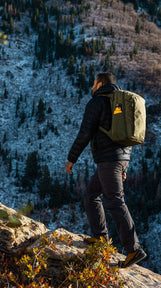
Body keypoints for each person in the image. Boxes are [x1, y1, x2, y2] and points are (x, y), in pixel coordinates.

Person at [65, 72, 147, 268]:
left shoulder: (98, 102)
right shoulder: (120, 102)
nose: (92, 87)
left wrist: (71, 159)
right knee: (91, 194)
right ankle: (101, 238)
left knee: (115, 201)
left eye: (94, 84)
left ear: (100, 83)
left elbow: (85, 133)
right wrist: (124, 164)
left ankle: (133, 249)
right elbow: (126, 136)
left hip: (109, 160)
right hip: (119, 158)